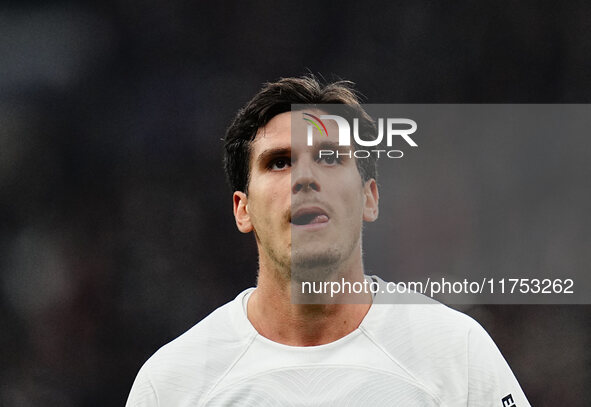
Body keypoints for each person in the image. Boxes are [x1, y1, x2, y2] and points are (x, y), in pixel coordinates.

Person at [126, 76, 530, 406]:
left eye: (330, 157)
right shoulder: (172, 385)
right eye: (279, 162)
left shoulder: (457, 354)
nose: (305, 178)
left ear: (369, 197)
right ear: (242, 209)